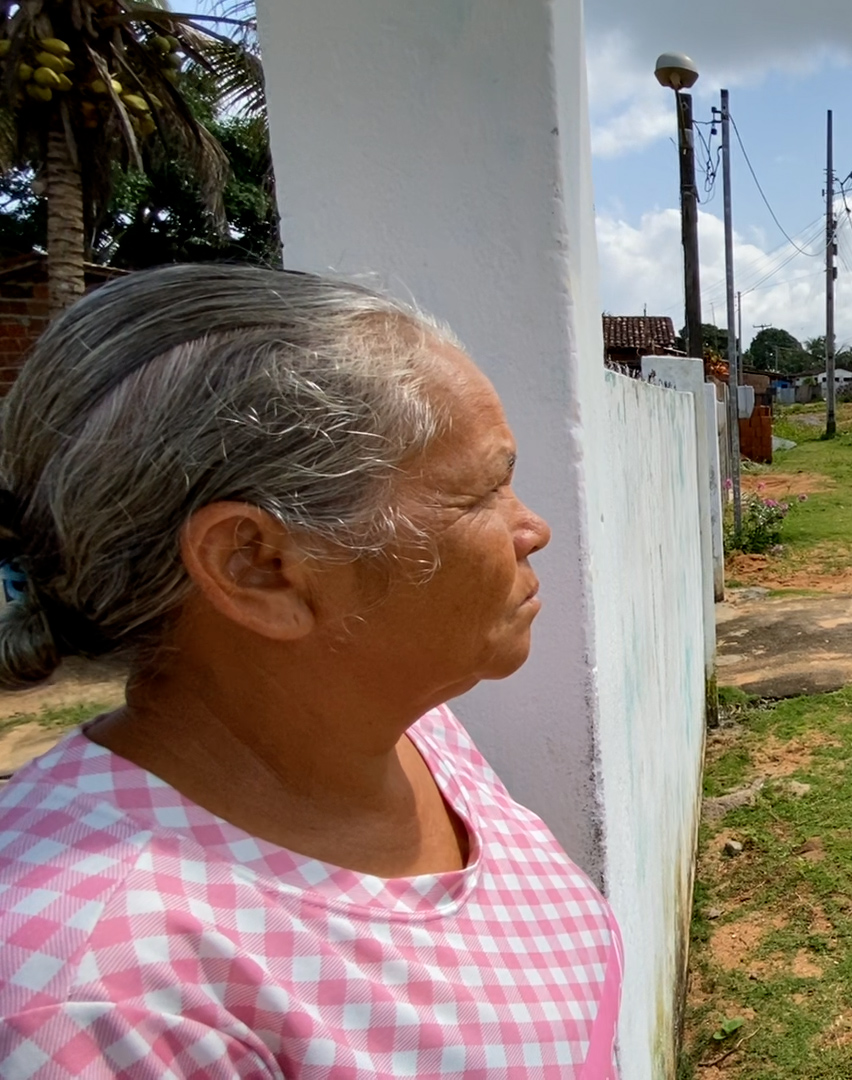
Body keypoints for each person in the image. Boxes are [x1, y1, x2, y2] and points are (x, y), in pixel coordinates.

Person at [0, 265, 622, 1077]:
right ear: (258, 566)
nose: (532, 528)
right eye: (482, 493)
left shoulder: (406, 731)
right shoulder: (99, 1005)